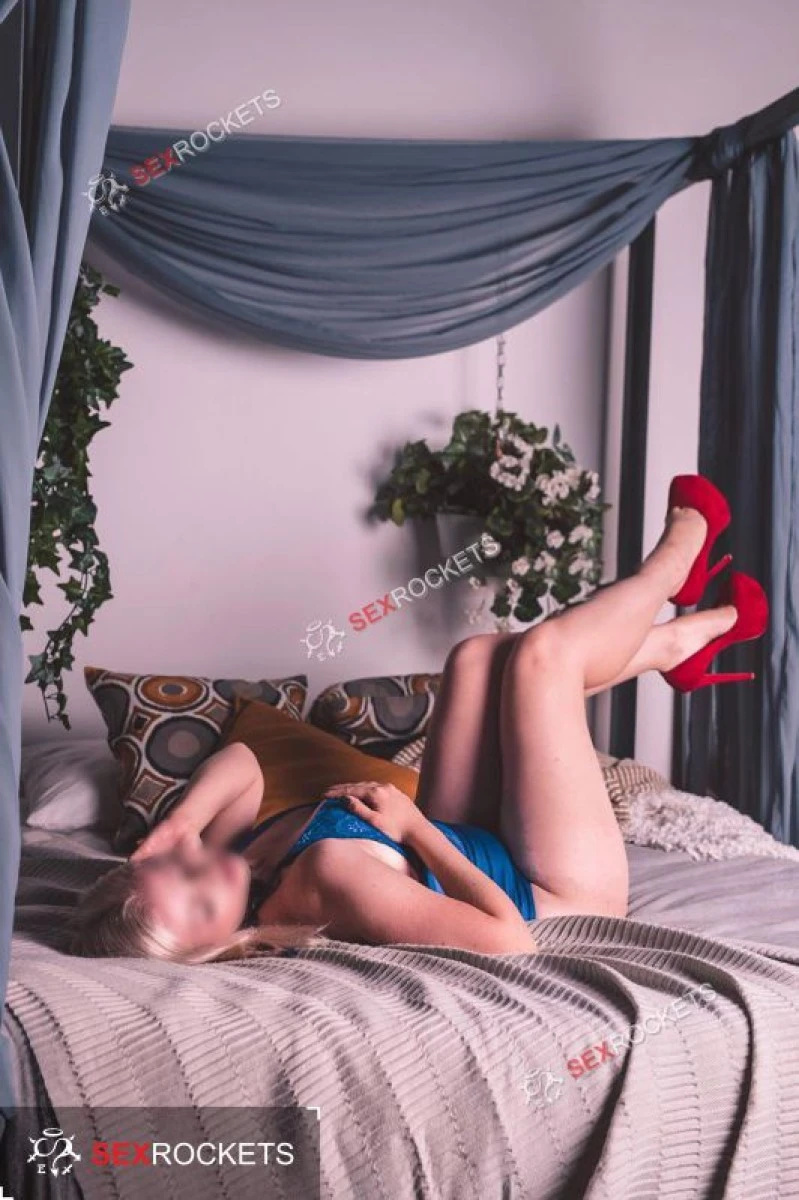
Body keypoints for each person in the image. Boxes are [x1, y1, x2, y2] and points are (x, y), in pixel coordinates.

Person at [70, 475, 768, 965]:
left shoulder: (237, 865)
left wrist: (183, 822)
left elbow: (246, 764)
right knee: (543, 658)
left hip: (481, 839)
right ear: (213, 948)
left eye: (181, 869)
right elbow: (510, 942)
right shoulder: (323, 884)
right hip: (557, 888)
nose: (206, 872)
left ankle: (674, 648)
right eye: (199, 905)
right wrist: (412, 829)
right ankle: (673, 567)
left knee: (476, 658)